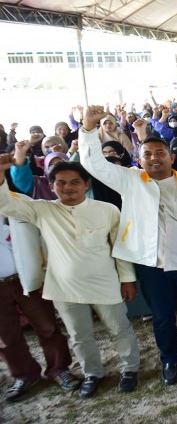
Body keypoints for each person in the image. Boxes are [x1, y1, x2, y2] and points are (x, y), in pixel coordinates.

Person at [79, 106, 177, 386]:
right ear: (139, 159)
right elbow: (94, 164)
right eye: (147, 154)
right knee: (163, 317)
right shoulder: (130, 181)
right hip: (152, 265)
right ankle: (170, 360)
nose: (154, 158)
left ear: (172, 157)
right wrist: (88, 129)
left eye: (160, 153)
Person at [0, 159, 140, 398]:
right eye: (61, 183)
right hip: (64, 287)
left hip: (105, 282)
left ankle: (130, 370)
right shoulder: (43, 210)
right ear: (52, 186)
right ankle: (92, 373)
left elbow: (120, 248)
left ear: (86, 184)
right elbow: (5, 205)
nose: (68, 188)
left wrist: (127, 279)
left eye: (75, 182)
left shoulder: (107, 210)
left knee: (120, 328)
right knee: (79, 335)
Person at [0, 214, 79, 402]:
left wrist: (44, 273)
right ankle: (24, 375)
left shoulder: (15, 206)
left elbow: (42, 241)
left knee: (48, 327)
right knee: (5, 337)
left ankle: (59, 369)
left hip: (27, 278)